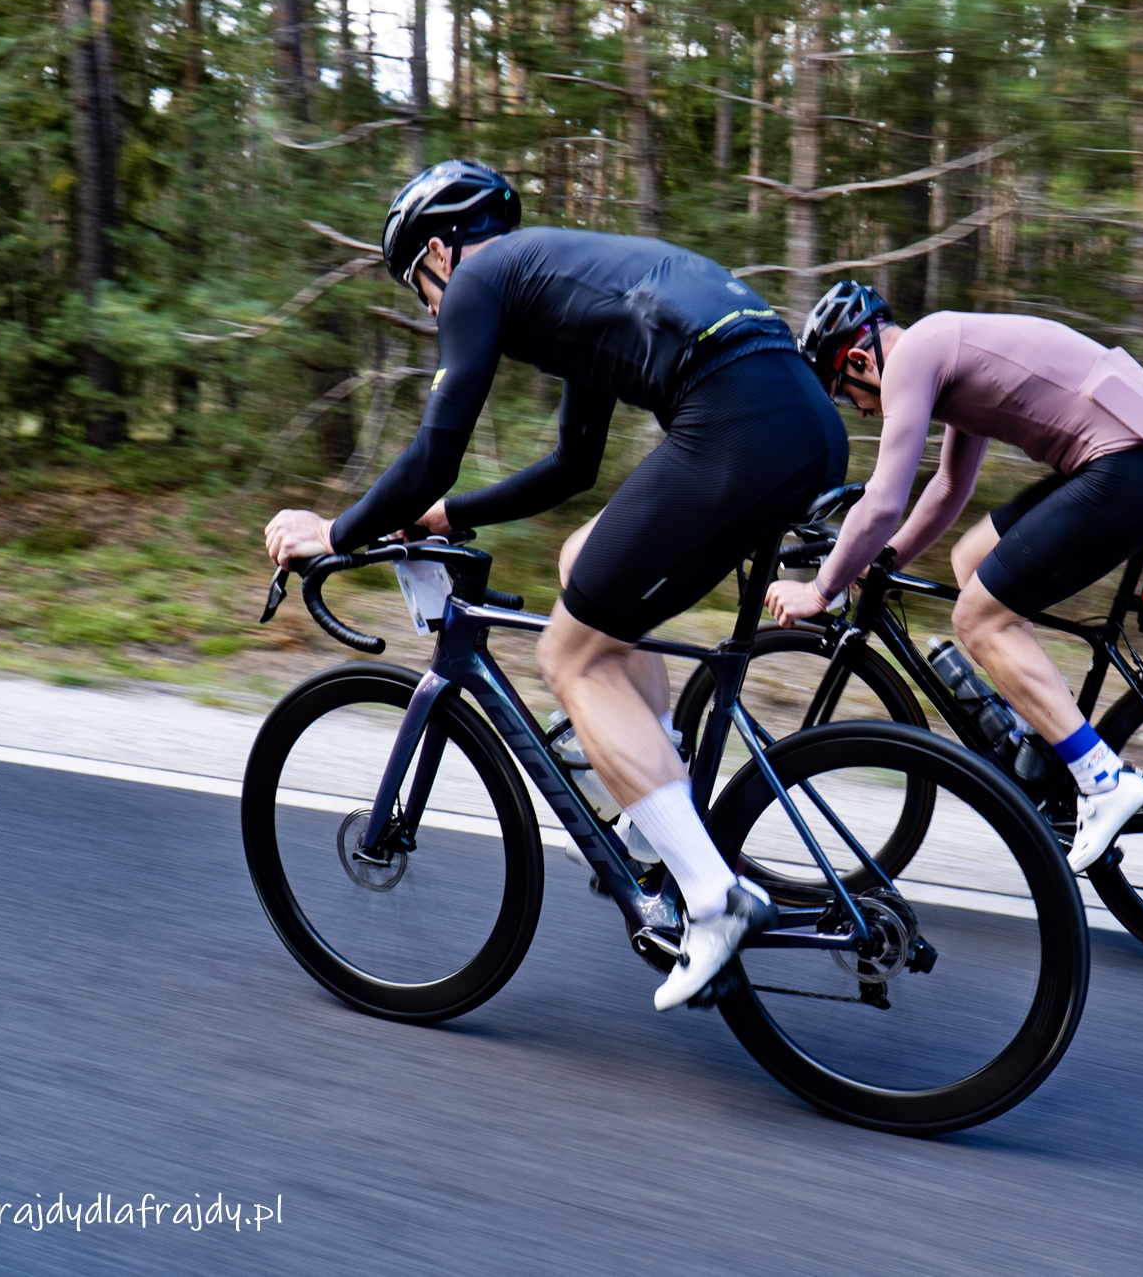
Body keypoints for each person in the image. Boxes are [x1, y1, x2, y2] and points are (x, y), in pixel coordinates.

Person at [264, 160, 848, 1009]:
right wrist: (443, 517)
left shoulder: (479, 280)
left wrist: (337, 530)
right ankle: (653, 795)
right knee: (584, 562)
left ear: (440, 250)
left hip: (739, 420)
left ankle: (714, 897)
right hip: (800, 417)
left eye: (417, 284)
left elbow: (435, 449)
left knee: (568, 657)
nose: (428, 308)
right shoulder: (558, 276)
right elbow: (573, 463)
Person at [764, 283, 1143, 872]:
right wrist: (879, 561)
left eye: (845, 394)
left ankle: (1102, 778)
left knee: (977, 618)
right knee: (971, 560)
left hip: (1133, 466)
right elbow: (950, 488)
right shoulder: (941, 349)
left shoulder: (914, 357)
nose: (860, 410)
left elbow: (885, 498)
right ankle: (1041, 734)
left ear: (861, 360)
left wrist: (822, 589)